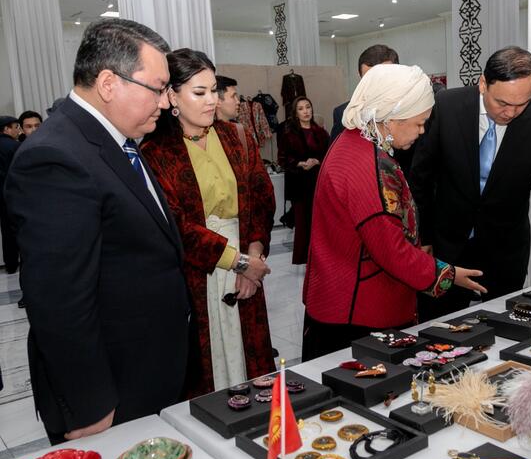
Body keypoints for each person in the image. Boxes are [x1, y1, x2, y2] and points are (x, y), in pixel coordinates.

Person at [4, 18, 190, 443]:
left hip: (145, 367)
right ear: (109, 83)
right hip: (110, 393)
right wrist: (90, 405)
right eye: (158, 88)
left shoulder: (115, 142)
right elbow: (59, 299)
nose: (166, 103)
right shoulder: (56, 157)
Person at [303, 64, 486, 360]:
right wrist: (448, 274)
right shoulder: (368, 166)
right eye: (419, 122)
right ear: (391, 117)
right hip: (359, 313)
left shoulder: (354, 142)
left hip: (341, 297)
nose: (422, 131)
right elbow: (392, 251)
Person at [142, 48, 276, 397]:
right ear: (172, 96)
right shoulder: (156, 153)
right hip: (198, 273)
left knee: (253, 361)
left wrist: (253, 257)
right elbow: (176, 226)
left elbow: (261, 198)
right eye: (199, 92)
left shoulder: (237, 136)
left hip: (247, 263)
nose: (212, 100)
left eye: (214, 90)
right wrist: (239, 263)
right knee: (206, 368)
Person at [409, 46, 531, 320]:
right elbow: (421, 179)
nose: (511, 113)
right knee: (437, 330)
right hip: (445, 249)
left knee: (504, 330)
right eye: (502, 103)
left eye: (521, 104)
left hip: (505, 255)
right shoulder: (446, 107)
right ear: (483, 83)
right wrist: (423, 237)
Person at [277, 96, 330, 264]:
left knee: (320, 222)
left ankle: (321, 256)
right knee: (303, 223)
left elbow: (330, 155)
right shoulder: (289, 134)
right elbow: (282, 159)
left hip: (318, 183)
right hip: (299, 184)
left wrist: (317, 161)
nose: (306, 111)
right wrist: (300, 163)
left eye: (308, 107)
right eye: (301, 109)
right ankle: (304, 258)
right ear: (295, 113)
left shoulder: (321, 132)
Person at [330, 44, 399, 142]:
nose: (377, 84)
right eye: (369, 78)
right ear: (360, 76)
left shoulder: (414, 110)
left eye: (384, 77)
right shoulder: (344, 114)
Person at [0, 116, 21, 274]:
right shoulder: (14, 146)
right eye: (15, 127)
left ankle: (10, 264)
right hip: (14, 193)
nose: (18, 130)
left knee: (6, 230)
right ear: (6, 129)